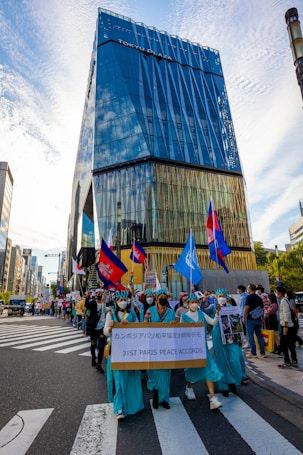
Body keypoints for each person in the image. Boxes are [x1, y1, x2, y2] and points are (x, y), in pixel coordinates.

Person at [103, 290, 144, 420]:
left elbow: (138, 329)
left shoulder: (132, 314)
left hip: (131, 350)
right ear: (116, 302)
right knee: (119, 379)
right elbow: (105, 332)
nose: (123, 302)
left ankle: (133, 405)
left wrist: (130, 324)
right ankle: (119, 408)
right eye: (120, 300)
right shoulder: (111, 314)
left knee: (132, 377)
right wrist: (110, 328)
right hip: (116, 349)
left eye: (125, 300)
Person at [181, 293, 223, 410]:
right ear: (187, 304)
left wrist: (217, 314)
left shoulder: (201, 313)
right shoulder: (183, 317)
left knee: (209, 369)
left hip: (203, 348)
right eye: (192, 302)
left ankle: (212, 399)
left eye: (196, 302)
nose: (194, 304)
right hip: (189, 348)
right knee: (190, 369)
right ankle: (189, 388)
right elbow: (179, 333)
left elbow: (213, 322)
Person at [145, 288, 176, 410]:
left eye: (165, 297)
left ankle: (164, 399)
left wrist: (174, 324)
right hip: (152, 345)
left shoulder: (171, 312)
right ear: (156, 299)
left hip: (166, 346)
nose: (162, 298)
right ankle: (155, 392)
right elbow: (145, 324)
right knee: (153, 370)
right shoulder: (150, 311)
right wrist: (146, 322)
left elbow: (174, 327)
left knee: (165, 372)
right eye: (160, 297)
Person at [212, 289, 246, 396]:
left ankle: (234, 381)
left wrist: (240, 336)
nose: (221, 298)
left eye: (223, 296)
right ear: (216, 297)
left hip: (232, 336)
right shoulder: (212, 307)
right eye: (219, 296)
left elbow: (237, 322)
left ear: (227, 297)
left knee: (234, 359)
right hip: (218, 334)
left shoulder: (232, 308)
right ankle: (224, 386)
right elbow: (206, 316)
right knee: (222, 360)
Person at [85, 290, 107, 372]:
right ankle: (93, 357)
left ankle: (99, 364)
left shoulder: (104, 305)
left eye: (101, 294)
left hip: (102, 328)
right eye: (98, 294)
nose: (100, 295)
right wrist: (87, 297)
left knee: (101, 346)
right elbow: (86, 305)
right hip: (93, 328)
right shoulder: (93, 303)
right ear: (96, 295)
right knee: (93, 343)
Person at [243, 284, 266, 359]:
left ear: (250, 289)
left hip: (250, 319)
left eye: (248, 288)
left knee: (250, 335)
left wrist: (243, 317)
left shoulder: (249, 297)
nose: (247, 289)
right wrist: (262, 317)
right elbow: (261, 308)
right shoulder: (259, 297)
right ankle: (262, 352)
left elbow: (247, 307)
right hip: (258, 318)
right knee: (259, 335)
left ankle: (253, 352)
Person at [276, 287, 298, 368]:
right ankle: (294, 359)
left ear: (280, 293)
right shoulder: (286, 300)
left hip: (286, 326)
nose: (276, 293)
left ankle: (287, 361)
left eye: (276, 291)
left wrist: (285, 326)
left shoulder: (283, 301)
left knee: (283, 344)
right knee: (291, 343)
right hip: (290, 325)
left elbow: (286, 314)